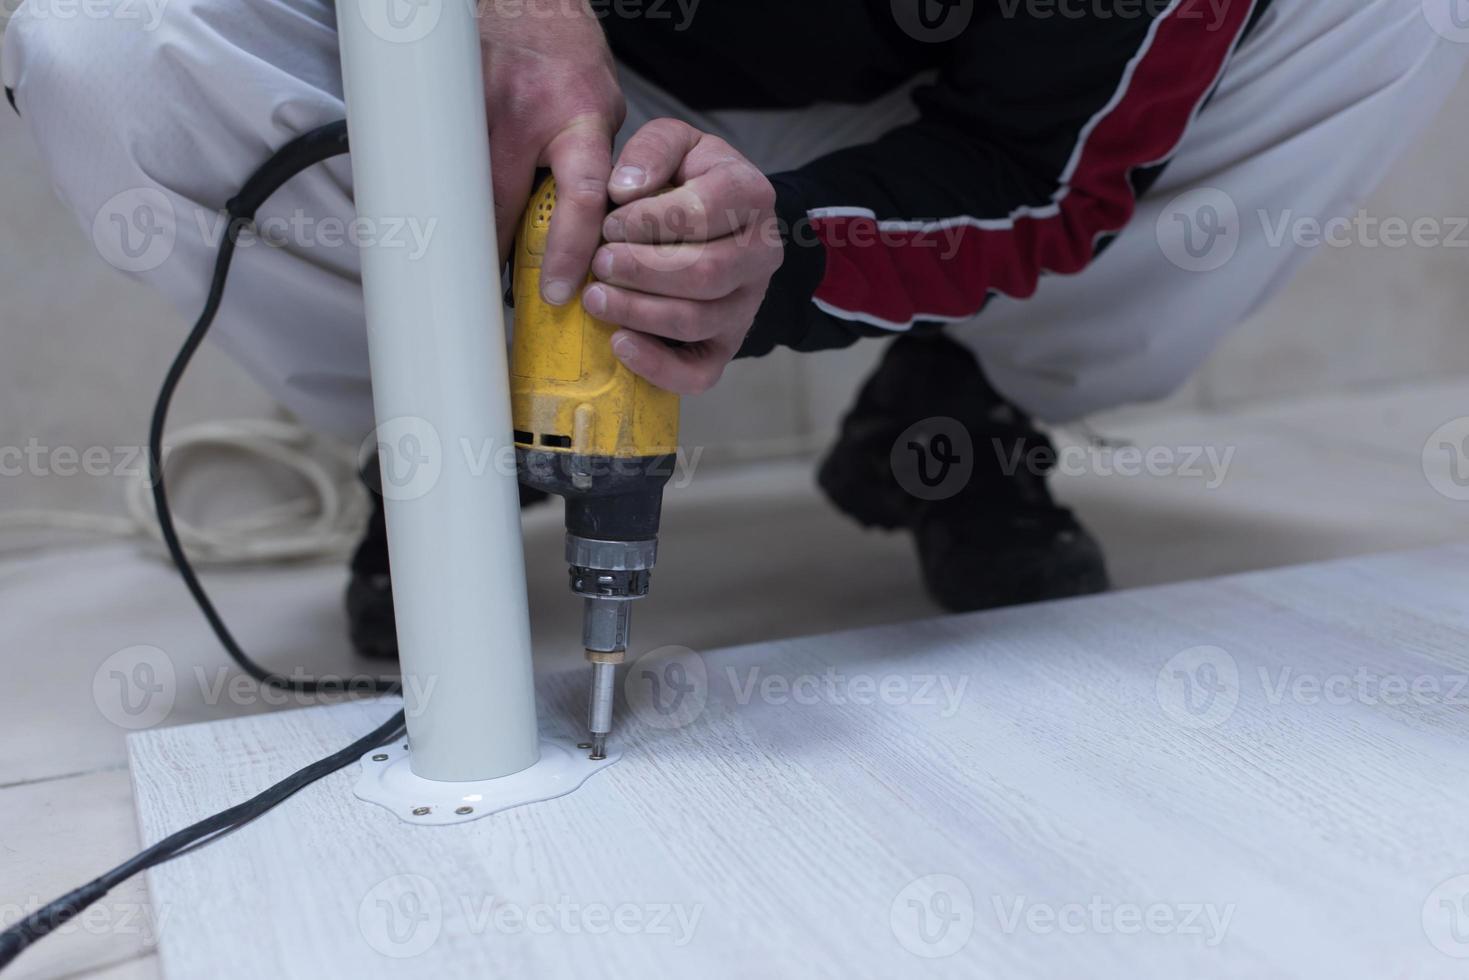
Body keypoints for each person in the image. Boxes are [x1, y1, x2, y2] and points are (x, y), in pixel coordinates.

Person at [6, 0, 1466, 655]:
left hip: (924, 121)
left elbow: (1034, 177)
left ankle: (960, 416)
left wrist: (780, 260)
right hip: (511, 61)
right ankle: (454, 417)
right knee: (95, 27)